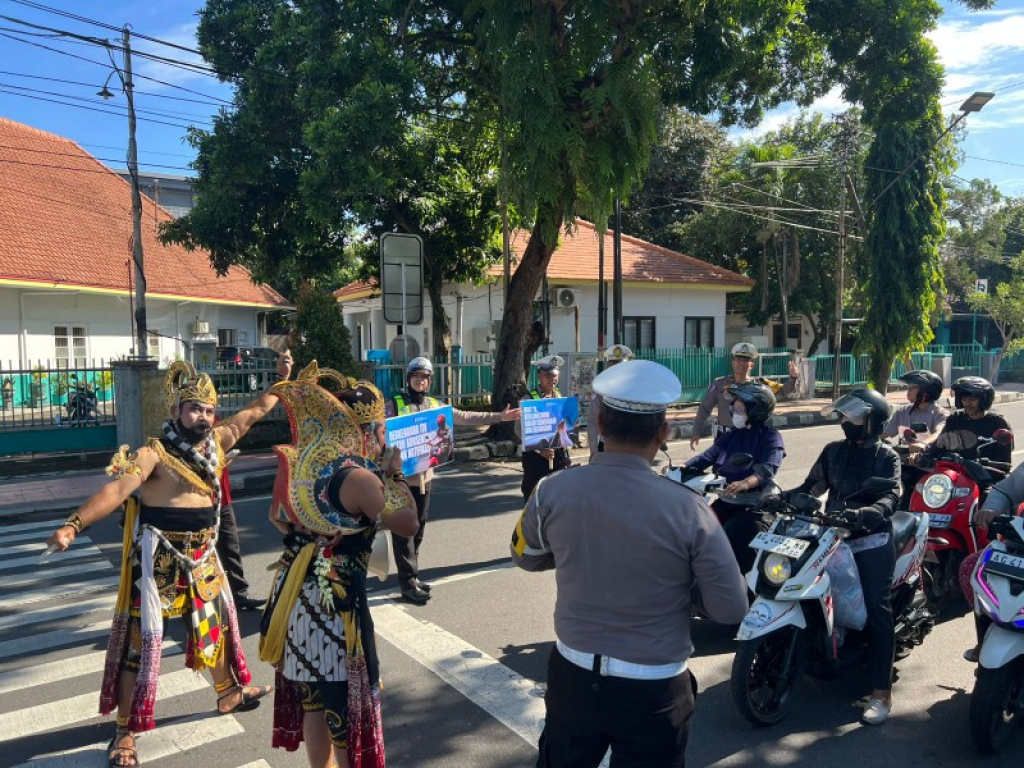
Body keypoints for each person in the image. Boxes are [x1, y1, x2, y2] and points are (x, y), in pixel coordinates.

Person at [45, 354, 293, 767]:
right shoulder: (154, 453)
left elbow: (252, 412)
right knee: (139, 648)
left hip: (202, 555)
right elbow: (117, 491)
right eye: (195, 408)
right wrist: (74, 524)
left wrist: (283, 381)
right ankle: (125, 731)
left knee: (213, 629)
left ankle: (228, 693)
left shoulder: (216, 441)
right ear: (176, 410)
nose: (203, 416)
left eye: (209, 409)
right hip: (159, 557)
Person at [512, 360, 748, 766]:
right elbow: (731, 608)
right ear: (662, 433)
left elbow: (525, 557)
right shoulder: (690, 509)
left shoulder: (551, 489)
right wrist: (685, 594)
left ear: (600, 424)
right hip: (654, 689)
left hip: (573, 677)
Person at [260, 370, 418, 768]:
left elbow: (277, 517)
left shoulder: (307, 467)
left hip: (299, 598)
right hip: (336, 606)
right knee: (343, 709)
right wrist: (395, 473)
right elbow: (407, 524)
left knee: (315, 702)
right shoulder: (361, 477)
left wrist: (316, 534)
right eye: (380, 426)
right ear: (367, 427)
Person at [783, 388, 901, 725]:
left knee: (878, 609)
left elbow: (891, 496)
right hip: (832, 534)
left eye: (853, 416)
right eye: (845, 415)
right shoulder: (833, 451)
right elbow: (811, 487)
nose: (845, 421)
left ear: (872, 422)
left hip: (870, 538)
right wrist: (782, 498)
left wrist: (870, 512)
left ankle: (881, 692)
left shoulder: (887, 457)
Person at [385, 356, 520, 604]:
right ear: (408, 379)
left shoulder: (436, 405)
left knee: (418, 530)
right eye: (416, 376)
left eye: (425, 377)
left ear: (430, 381)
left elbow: (466, 417)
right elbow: (380, 430)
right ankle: (407, 584)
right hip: (401, 481)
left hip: (425, 479)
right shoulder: (394, 404)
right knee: (404, 533)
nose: (420, 381)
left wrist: (500, 417)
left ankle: (412, 576)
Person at [683, 382, 785, 573]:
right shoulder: (732, 435)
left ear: (756, 411)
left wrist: (746, 483)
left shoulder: (771, 437)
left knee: (741, 538)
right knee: (700, 530)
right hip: (726, 499)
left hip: (755, 505)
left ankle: (745, 590)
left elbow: (766, 470)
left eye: (740, 408)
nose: (734, 411)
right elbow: (707, 456)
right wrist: (683, 467)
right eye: (734, 407)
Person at [690, 342, 799, 449]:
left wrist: (793, 377)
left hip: (749, 438)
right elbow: (705, 408)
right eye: (738, 359)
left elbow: (784, 391)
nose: (741, 363)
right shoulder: (720, 384)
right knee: (720, 466)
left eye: (745, 360)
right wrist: (696, 431)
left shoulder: (760, 385)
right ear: (733, 362)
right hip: (725, 438)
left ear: (751, 365)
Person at [881, 369, 948, 507]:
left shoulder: (940, 414)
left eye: (912, 387)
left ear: (926, 392)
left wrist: (923, 444)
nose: (908, 391)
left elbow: (939, 433)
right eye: (908, 387)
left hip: (928, 468)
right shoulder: (902, 412)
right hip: (903, 464)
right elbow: (884, 433)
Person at [912, 376, 1011, 466]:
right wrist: (922, 456)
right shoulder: (955, 419)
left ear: (984, 400)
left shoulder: (997, 423)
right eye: (964, 399)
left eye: (972, 399)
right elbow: (938, 446)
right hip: (955, 475)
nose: (967, 403)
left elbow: (1004, 464)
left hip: (985, 478)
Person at [518, 355, 573, 500]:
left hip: (559, 459)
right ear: (539, 376)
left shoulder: (561, 398)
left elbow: (565, 430)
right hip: (536, 460)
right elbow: (518, 430)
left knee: (558, 500)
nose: (551, 379)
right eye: (547, 375)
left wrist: (567, 453)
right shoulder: (528, 399)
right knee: (534, 500)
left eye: (554, 375)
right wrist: (539, 449)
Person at [216, 460, 264, 611]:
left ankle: (239, 594)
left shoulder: (215, 439)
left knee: (230, 546)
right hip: (197, 503)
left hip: (222, 501)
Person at [587, 344, 633, 457]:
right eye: (613, 367)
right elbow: (592, 422)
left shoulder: (634, 390)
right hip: (607, 446)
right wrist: (593, 450)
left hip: (631, 446)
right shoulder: (600, 390)